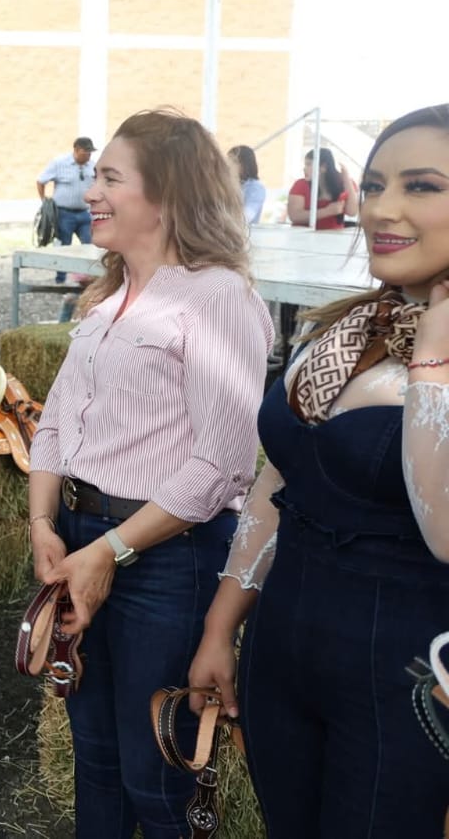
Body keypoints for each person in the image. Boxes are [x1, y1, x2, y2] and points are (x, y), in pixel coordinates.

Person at [188, 104, 449, 835]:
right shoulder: (346, 329)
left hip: (406, 677)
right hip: (282, 654)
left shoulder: (433, 356)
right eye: (376, 184)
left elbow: (446, 532)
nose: (382, 209)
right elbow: (280, 479)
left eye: (423, 186)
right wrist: (220, 626)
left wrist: (433, 363)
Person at [26, 109, 272, 838]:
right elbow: (53, 424)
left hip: (166, 558)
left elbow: (222, 464)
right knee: (96, 760)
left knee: (157, 776)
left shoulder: (218, 297)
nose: (90, 194)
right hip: (81, 538)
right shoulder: (107, 300)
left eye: (110, 179)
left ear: (166, 196)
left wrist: (108, 550)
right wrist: (42, 524)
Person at [37, 137, 97, 282]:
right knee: (64, 247)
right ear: (76, 150)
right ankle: (60, 279)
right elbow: (41, 180)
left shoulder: (92, 166)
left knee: (90, 245)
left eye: (90, 152)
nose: (88, 155)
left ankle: (89, 278)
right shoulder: (59, 163)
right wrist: (44, 200)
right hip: (64, 213)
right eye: (85, 152)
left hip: (85, 213)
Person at [286, 145, 358, 230]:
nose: (304, 169)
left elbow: (352, 212)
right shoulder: (300, 184)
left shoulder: (345, 183)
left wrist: (346, 177)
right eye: (305, 164)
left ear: (323, 167)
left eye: (309, 164)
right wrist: (327, 211)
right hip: (304, 235)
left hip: (334, 235)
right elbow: (294, 216)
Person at [227, 144, 266, 225]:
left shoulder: (255, 188)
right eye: (228, 160)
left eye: (234, 161)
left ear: (245, 164)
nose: (228, 165)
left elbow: (246, 217)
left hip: (244, 231)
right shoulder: (225, 184)